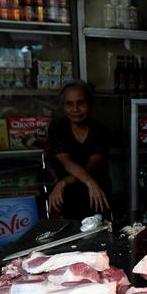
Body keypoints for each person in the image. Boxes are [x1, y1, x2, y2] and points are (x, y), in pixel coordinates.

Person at [47, 81, 112, 219]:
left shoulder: (101, 131)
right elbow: (66, 162)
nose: (75, 109)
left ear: (90, 104)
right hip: (66, 194)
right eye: (69, 104)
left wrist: (64, 182)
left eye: (81, 103)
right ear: (63, 106)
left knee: (100, 233)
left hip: (97, 192)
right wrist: (88, 182)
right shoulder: (57, 128)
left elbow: (91, 165)